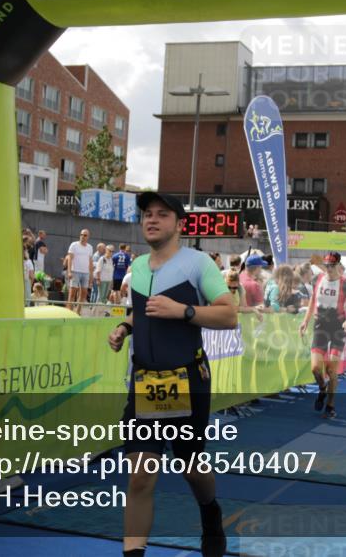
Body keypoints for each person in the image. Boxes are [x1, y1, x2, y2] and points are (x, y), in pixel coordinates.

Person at [107, 191, 236, 557]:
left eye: (162, 214)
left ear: (179, 224)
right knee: (140, 475)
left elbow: (228, 315)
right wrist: (125, 328)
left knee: (190, 466)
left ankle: (210, 512)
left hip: (187, 380)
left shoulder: (198, 264)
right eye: (147, 214)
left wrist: (184, 311)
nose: (152, 219)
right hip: (146, 382)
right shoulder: (138, 267)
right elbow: (146, 312)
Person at [299, 252, 346, 418]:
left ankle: (330, 405)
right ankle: (322, 389)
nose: (329, 269)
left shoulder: (345, 283)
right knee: (315, 368)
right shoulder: (317, 279)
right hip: (320, 325)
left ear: (338, 265)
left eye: (332, 266)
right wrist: (305, 321)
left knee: (331, 370)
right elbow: (312, 300)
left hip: (337, 327)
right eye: (327, 265)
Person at [64, 229, 93, 314]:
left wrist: (91, 274)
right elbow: (69, 258)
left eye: (85, 235)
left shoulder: (90, 247)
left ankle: (78, 312)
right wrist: (69, 271)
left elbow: (90, 261)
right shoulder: (74, 245)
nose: (82, 236)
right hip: (75, 271)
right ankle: (69, 312)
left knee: (84, 293)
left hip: (86, 273)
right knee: (72, 293)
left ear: (88, 237)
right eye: (81, 234)